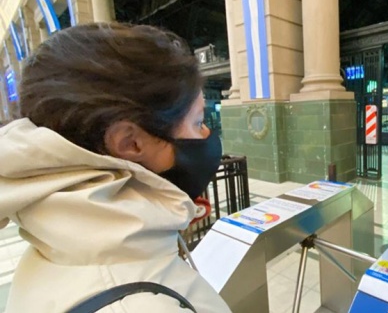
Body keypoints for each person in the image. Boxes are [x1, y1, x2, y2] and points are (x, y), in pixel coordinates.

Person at [0, 23, 232, 312]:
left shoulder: (68, 245)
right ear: (130, 143)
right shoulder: (136, 306)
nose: (207, 135)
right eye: (197, 123)